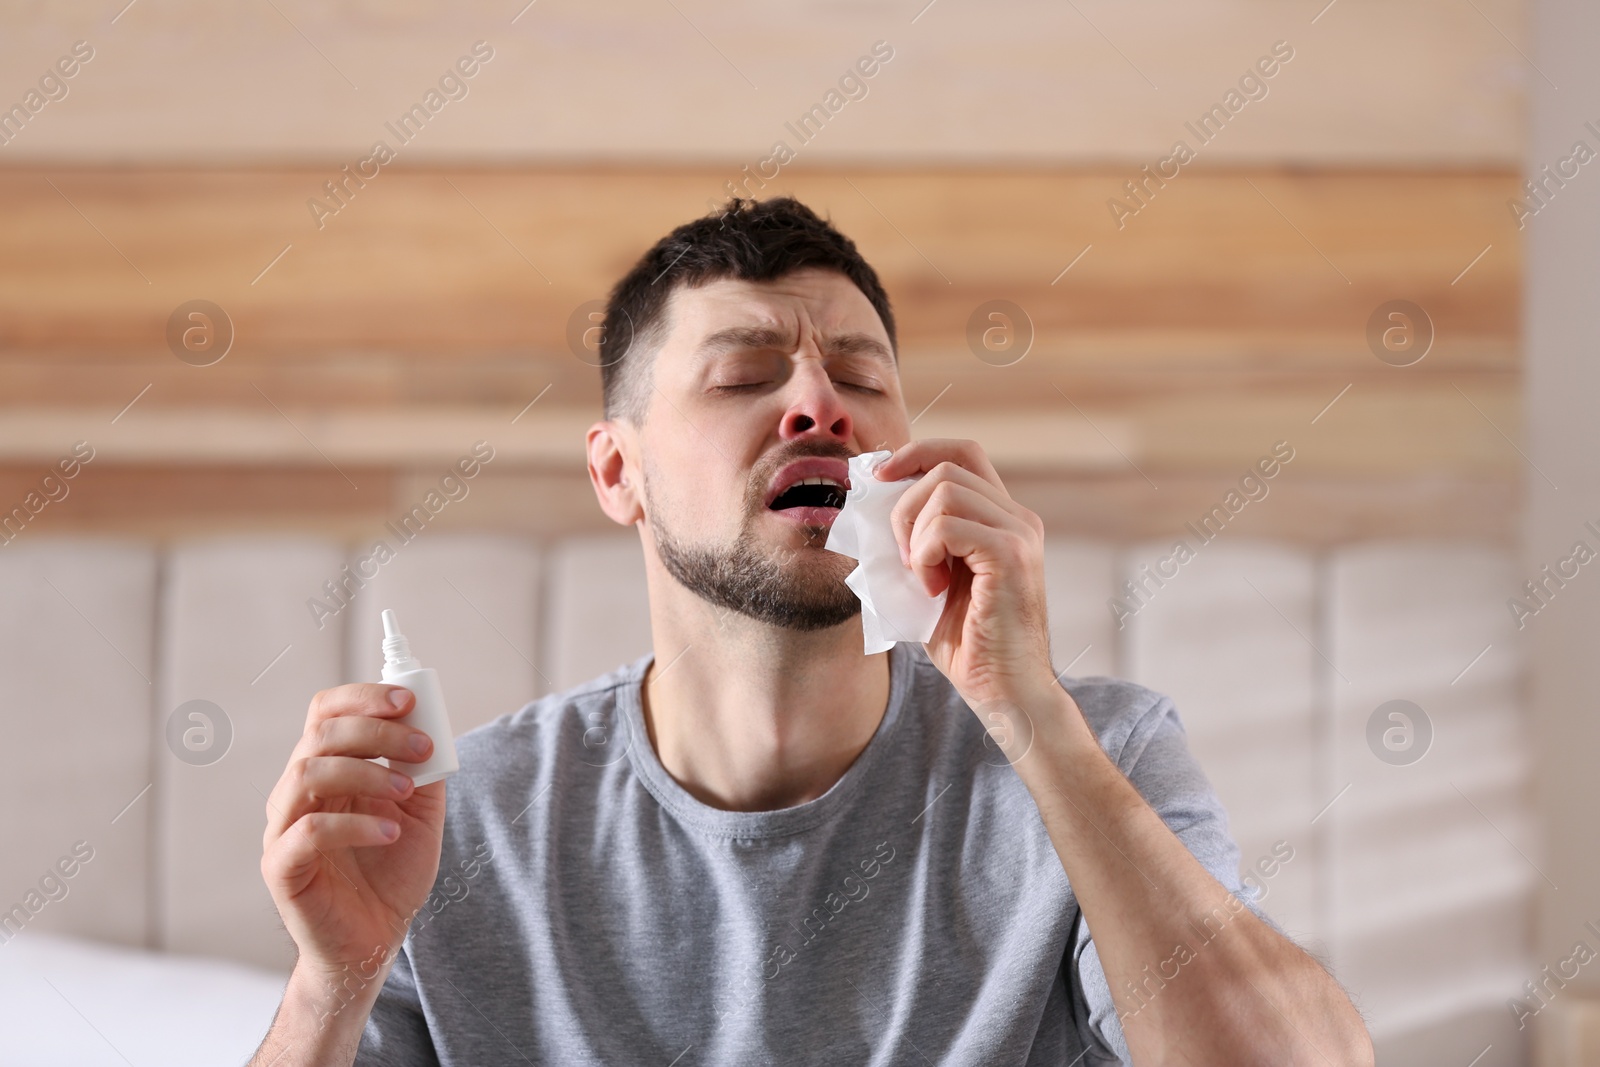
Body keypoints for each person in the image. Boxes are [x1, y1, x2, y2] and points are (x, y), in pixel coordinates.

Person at [250, 196, 1373, 1066]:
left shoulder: (1097, 754)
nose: (816, 404)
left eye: (857, 374)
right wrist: (330, 985)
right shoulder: (465, 818)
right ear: (616, 469)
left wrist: (1031, 714)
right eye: (743, 372)